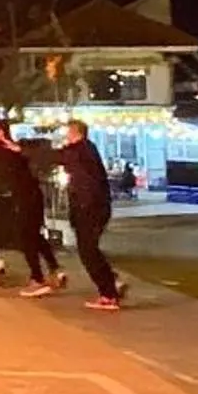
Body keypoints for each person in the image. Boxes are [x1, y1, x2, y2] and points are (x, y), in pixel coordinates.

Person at [0, 118, 62, 294]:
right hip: (30, 196)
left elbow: (4, 172)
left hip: (25, 198)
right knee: (33, 235)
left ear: (1, 133)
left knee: (25, 237)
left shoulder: (7, 150)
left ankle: (37, 278)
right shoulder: (10, 149)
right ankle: (54, 269)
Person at [57, 120, 125, 310]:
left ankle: (108, 293)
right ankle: (111, 284)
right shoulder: (85, 150)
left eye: (68, 132)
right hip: (92, 207)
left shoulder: (80, 151)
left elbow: (58, 156)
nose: (66, 136)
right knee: (89, 250)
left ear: (75, 132)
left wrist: (21, 149)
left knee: (88, 251)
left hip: (90, 208)